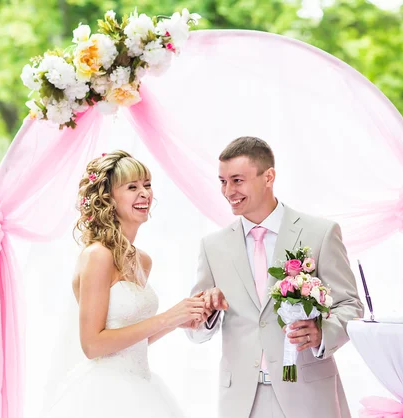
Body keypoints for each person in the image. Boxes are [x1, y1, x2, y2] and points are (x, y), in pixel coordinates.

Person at [186, 136, 364, 418]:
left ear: (268, 176)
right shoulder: (213, 246)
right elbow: (194, 330)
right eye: (222, 181)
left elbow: (351, 306)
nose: (228, 191)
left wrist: (321, 333)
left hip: (308, 397)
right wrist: (205, 313)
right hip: (241, 402)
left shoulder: (320, 233)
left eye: (237, 180)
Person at [44, 150, 208, 417]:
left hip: (142, 384)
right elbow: (93, 345)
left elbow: (130, 339)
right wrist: (167, 317)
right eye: (132, 187)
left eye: (147, 185)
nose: (144, 193)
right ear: (107, 199)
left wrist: (177, 322)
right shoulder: (98, 256)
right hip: (105, 394)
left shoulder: (143, 261)